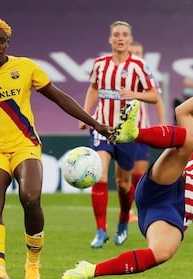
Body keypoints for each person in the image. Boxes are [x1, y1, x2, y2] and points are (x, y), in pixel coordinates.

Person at [0, 18, 111, 279]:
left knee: (30, 198)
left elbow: (59, 97)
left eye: (1, 41)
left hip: (25, 145)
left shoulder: (26, 68)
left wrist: (95, 123)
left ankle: (33, 264)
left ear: (8, 43)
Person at [62, 83, 193, 279]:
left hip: (169, 214)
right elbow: (182, 111)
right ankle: (132, 133)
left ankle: (90, 270)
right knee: (188, 139)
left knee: (163, 253)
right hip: (165, 185)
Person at [79, 21, 158, 248]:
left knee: (123, 184)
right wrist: (85, 116)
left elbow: (154, 95)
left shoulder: (140, 66)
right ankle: (100, 230)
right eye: (116, 35)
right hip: (102, 128)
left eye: (124, 35)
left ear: (130, 39)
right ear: (110, 40)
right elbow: (94, 88)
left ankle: (124, 219)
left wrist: (134, 93)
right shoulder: (100, 65)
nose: (120, 38)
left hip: (126, 133)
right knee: (99, 176)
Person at [128, 41, 166, 223]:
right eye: (133, 52)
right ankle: (126, 210)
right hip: (124, 131)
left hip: (142, 129)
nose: (136, 55)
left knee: (140, 173)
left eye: (139, 52)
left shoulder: (146, 76)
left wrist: (161, 122)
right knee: (125, 174)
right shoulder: (121, 74)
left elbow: (157, 99)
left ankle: (138, 206)